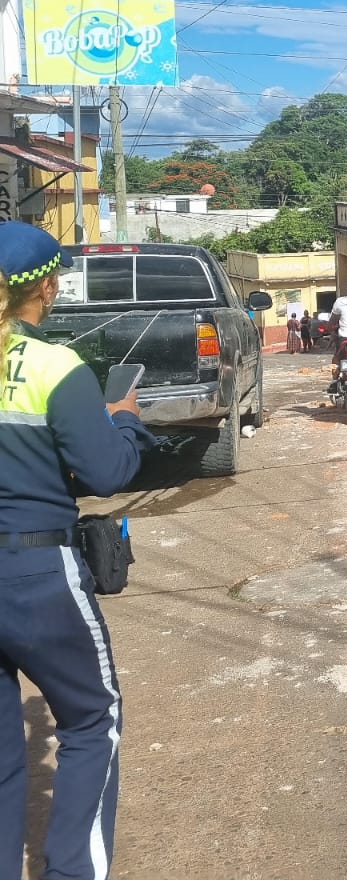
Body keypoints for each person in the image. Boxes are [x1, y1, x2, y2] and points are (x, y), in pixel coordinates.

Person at [0, 221, 155, 880]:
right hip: (38, 572)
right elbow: (105, 473)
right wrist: (125, 420)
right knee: (93, 719)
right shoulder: (54, 367)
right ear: (46, 288)